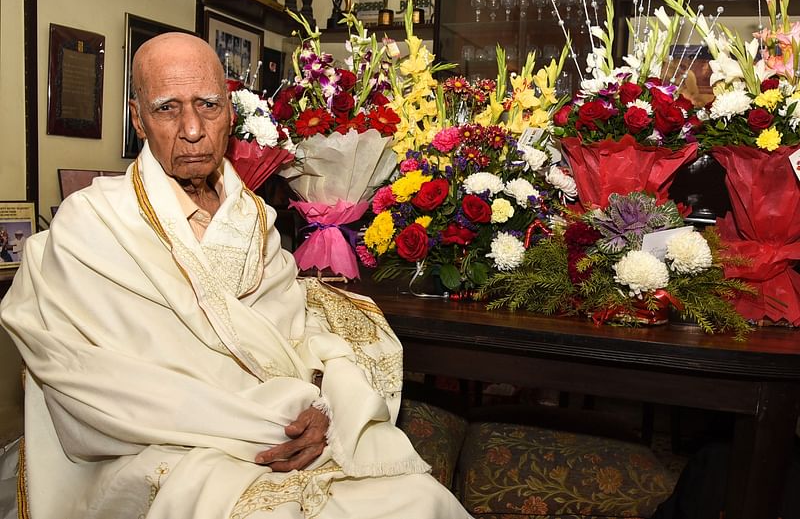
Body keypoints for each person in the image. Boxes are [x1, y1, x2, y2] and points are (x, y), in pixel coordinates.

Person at [0, 32, 471, 519]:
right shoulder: (92, 225)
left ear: (230, 113)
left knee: (421, 501)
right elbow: (92, 385)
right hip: (166, 448)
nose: (192, 128)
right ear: (138, 119)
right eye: (167, 108)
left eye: (207, 104)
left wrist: (325, 402)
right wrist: (258, 426)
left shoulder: (256, 221)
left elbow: (293, 336)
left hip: (290, 431)